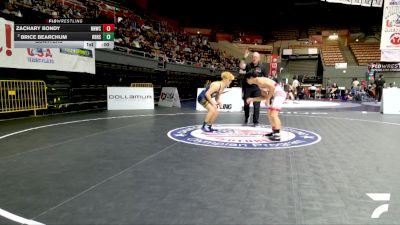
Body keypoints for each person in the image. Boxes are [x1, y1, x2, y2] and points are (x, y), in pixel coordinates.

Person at [245, 73, 287, 141]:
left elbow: (272, 88)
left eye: (246, 79)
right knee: (270, 113)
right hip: (277, 94)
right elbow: (264, 97)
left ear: (251, 78)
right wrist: (252, 99)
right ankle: (274, 131)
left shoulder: (259, 80)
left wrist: (268, 99)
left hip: (279, 94)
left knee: (273, 114)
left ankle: (277, 135)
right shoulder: (258, 84)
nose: (246, 81)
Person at [240, 49, 268, 126]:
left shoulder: (263, 67)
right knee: (246, 104)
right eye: (253, 57)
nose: (254, 58)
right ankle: (246, 117)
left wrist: (265, 89)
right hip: (247, 87)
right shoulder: (248, 65)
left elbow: (266, 79)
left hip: (257, 88)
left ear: (259, 58)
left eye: (256, 57)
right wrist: (244, 57)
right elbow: (241, 66)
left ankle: (255, 121)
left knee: (256, 105)